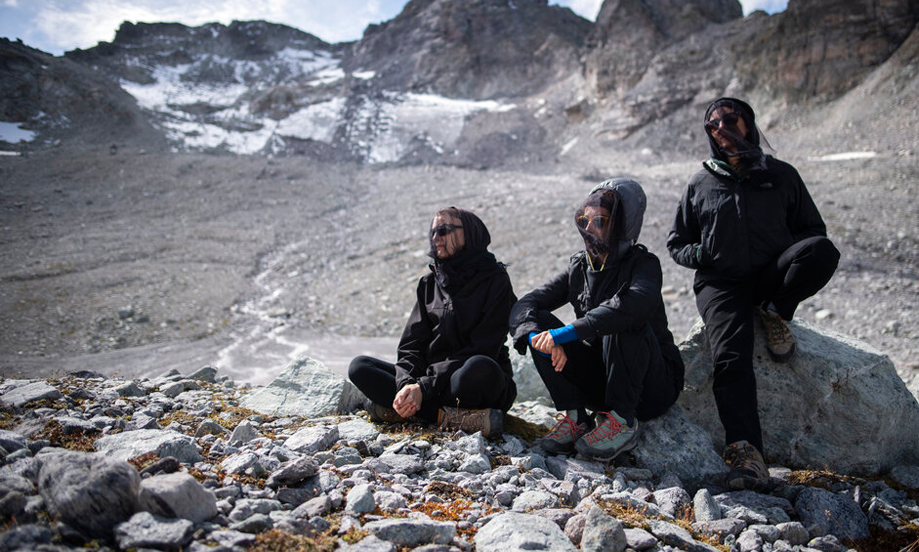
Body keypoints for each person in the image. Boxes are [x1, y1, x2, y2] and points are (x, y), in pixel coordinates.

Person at [667, 96, 840, 490]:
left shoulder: (781, 175)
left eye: (731, 119)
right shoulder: (700, 182)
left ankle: (775, 312)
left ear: (749, 122)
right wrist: (705, 254)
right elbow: (677, 243)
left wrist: (781, 264)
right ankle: (747, 454)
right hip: (721, 284)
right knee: (730, 357)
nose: (722, 128)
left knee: (821, 252)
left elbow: (813, 230)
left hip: (769, 276)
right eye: (713, 125)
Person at [509, 178, 685, 461]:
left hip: (652, 387)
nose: (588, 228)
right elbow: (526, 304)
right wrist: (540, 338)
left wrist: (565, 334)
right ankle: (577, 417)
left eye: (599, 220)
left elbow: (632, 306)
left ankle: (622, 421)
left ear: (622, 223)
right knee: (538, 320)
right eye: (584, 220)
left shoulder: (644, 265)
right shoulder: (580, 266)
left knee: (619, 318)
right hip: (604, 381)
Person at [348, 207, 517, 439]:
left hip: (469, 382)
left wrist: (424, 387)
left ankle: (402, 411)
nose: (436, 237)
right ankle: (442, 417)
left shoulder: (496, 281)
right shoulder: (429, 283)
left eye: (444, 230)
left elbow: (483, 347)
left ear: (469, 233)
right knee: (360, 367)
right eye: (433, 231)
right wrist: (408, 384)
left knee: (478, 368)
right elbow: (411, 345)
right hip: (430, 385)